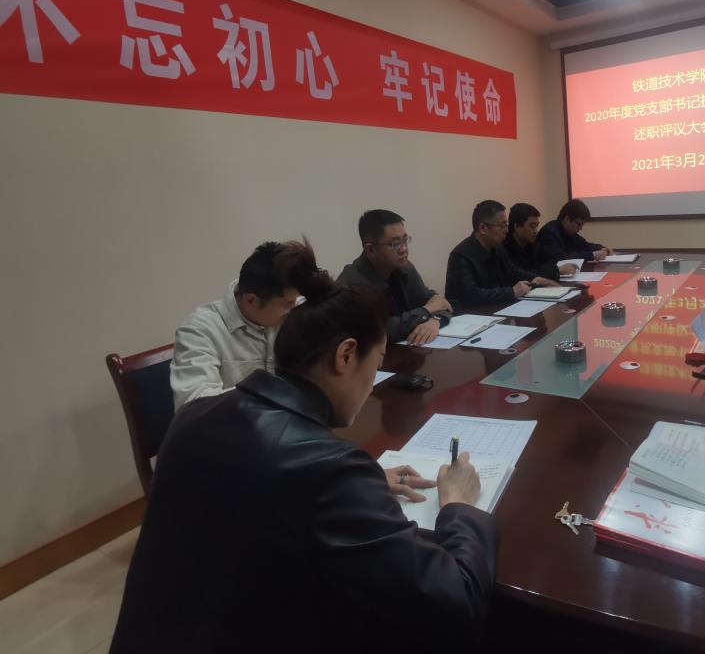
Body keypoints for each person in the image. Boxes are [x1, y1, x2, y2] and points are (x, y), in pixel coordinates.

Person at [111, 272, 498, 653]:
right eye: (376, 363)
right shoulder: (330, 470)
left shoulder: (194, 416)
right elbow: (457, 604)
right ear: (346, 355)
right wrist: (458, 505)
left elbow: (256, 487)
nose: (371, 384)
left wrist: (359, 488)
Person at [170, 239, 319, 410]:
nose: (294, 308)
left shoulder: (290, 310)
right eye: (288, 304)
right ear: (251, 300)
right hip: (235, 426)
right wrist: (270, 391)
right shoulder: (200, 330)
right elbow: (193, 405)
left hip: (290, 421)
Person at [338, 209, 452, 346]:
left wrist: (435, 320)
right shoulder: (351, 284)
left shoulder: (404, 267)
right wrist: (426, 311)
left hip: (409, 351)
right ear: (370, 249)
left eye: (405, 240)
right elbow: (378, 332)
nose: (404, 249)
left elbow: (439, 302)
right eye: (395, 244)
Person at [445, 200, 559, 308]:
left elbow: (513, 272)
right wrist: (512, 292)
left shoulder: (497, 248)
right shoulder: (460, 256)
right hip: (470, 317)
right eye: (502, 225)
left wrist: (537, 279)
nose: (507, 230)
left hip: (496, 310)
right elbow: (471, 296)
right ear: (483, 228)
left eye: (506, 225)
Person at [503, 203, 579, 281]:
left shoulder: (534, 244)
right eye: (532, 226)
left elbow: (547, 263)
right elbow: (522, 274)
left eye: (537, 226)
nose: (536, 231)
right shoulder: (504, 248)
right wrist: (556, 270)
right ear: (517, 227)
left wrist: (558, 267)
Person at [536, 199, 610, 264]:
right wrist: (592, 255)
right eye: (579, 224)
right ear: (567, 219)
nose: (580, 228)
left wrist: (601, 248)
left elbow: (584, 245)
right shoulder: (549, 233)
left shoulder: (569, 232)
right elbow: (561, 258)